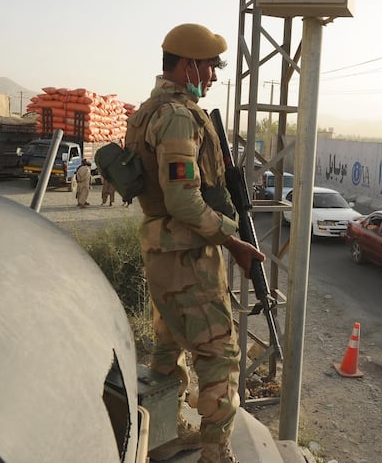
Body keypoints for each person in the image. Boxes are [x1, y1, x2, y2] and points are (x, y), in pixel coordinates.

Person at [128, 23, 264, 463]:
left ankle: (163, 434)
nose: (212, 76)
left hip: (162, 251)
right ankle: (214, 452)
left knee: (168, 343)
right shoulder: (179, 116)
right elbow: (183, 200)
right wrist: (233, 240)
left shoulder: (148, 109)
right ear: (187, 64)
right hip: (186, 256)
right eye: (209, 66)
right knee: (219, 353)